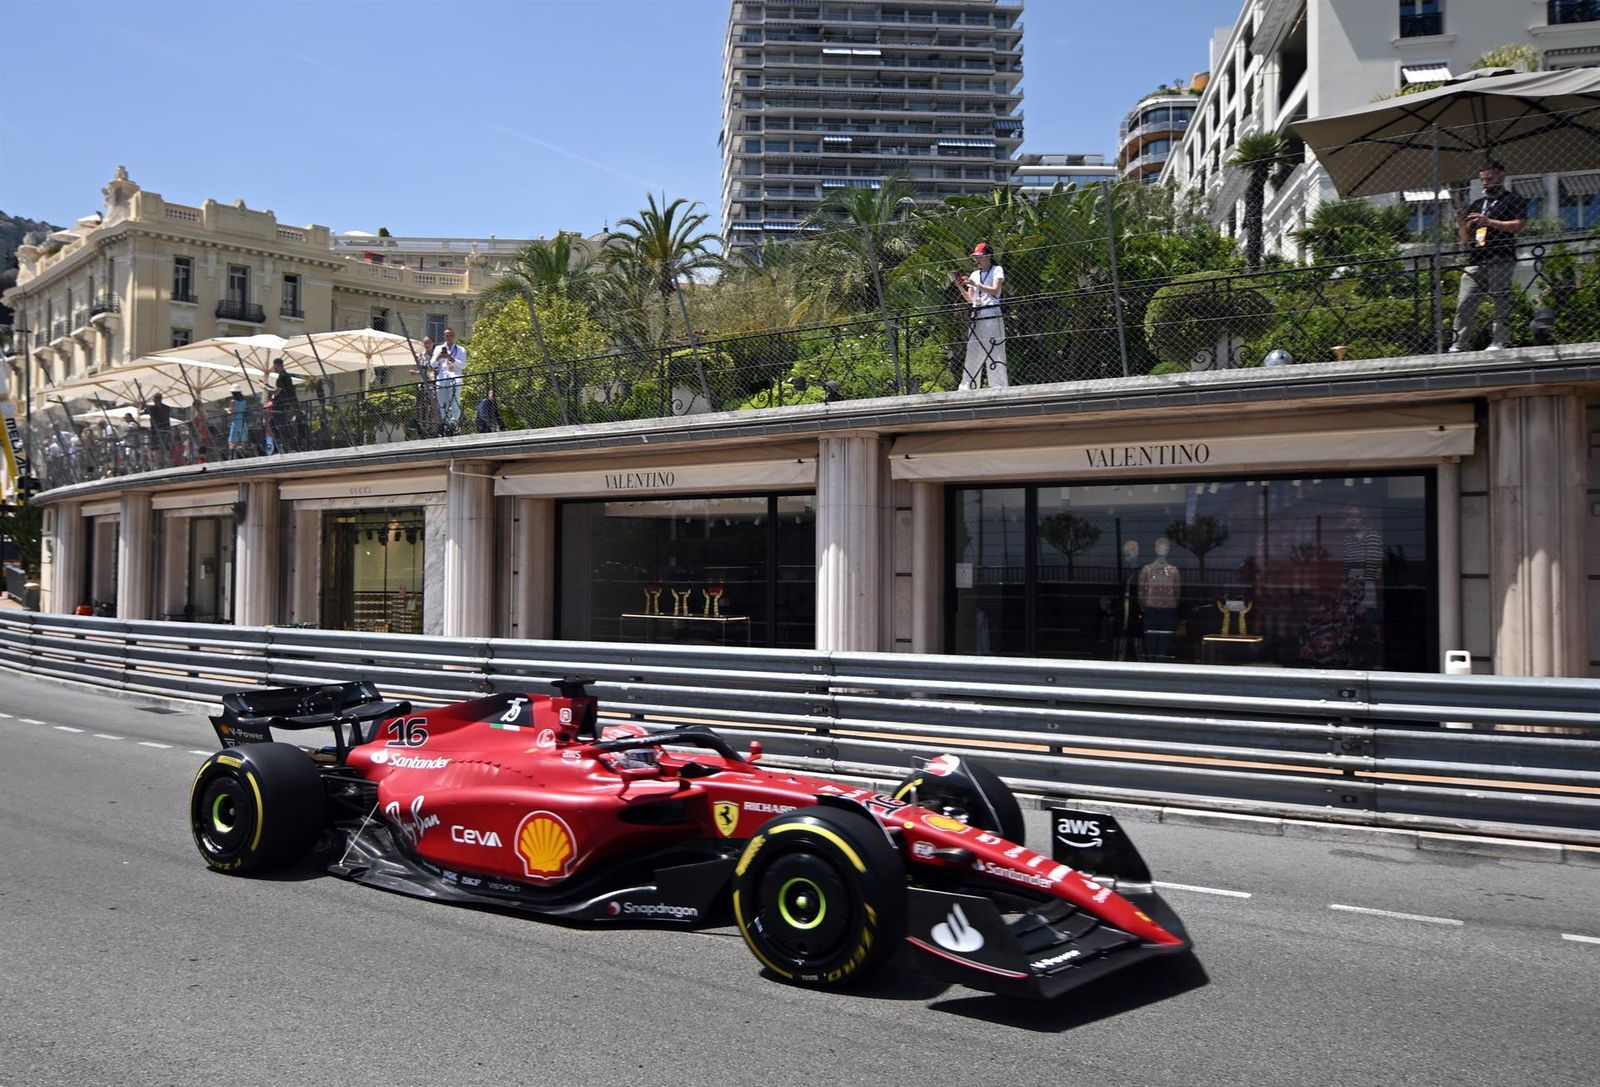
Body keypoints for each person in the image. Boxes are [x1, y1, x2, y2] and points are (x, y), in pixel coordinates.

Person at [1450, 161, 1527, 353]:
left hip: (1500, 257)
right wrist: (1464, 225)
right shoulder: (1477, 204)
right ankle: (1459, 343)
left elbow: (1518, 226)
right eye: (1483, 180)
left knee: (1500, 298)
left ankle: (1499, 341)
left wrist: (1489, 222)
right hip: (1476, 259)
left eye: (1489, 179)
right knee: (1465, 301)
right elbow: (1465, 238)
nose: (1485, 183)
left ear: (1502, 176)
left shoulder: (1513, 200)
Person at [952, 242, 1008, 390]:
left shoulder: (997, 270)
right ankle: (968, 385)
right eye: (975, 258)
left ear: (988, 256)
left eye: (980, 257)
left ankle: (998, 385)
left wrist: (976, 285)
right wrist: (960, 287)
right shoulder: (974, 275)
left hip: (991, 311)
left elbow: (995, 290)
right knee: (973, 348)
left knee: (994, 348)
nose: (977, 260)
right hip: (977, 313)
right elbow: (971, 299)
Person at [1138, 537, 1182, 660]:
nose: (1163, 550)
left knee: (1165, 646)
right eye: (1160, 547)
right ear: (1156, 549)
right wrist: (1145, 608)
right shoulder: (1146, 570)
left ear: (1168, 550)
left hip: (1168, 612)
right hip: (1151, 611)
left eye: (1165, 548)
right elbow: (1141, 593)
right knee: (1151, 645)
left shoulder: (1173, 571)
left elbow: (1177, 592)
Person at [431, 328, 466, 434]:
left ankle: (453, 424)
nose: (449, 338)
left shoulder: (460, 349)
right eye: (447, 336)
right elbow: (432, 365)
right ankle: (446, 425)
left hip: (455, 379)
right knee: (442, 403)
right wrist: (438, 357)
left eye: (451, 335)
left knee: (455, 402)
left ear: (454, 337)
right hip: (442, 380)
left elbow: (463, 365)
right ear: (444, 337)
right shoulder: (438, 348)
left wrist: (451, 358)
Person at [269, 357, 299, 453]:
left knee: (284, 427)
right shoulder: (285, 376)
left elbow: (276, 391)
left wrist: (264, 387)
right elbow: (280, 389)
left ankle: (290, 448)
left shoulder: (282, 377)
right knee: (286, 427)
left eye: (275, 367)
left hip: (284, 406)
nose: (274, 369)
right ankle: (290, 447)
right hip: (289, 404)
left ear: (278, 365)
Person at [145, 392, 172, 466]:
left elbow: (142, 412)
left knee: (156, 450)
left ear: (154, 400)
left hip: (155, 432)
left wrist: (143, 404)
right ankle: (167, 464)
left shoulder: (152, 408)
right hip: (166, 431)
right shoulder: (167, 408)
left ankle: (158, 465)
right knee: (166, 449)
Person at [226, 385, 249, 458]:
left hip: (235, 422)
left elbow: (233, 412)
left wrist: (227, 410)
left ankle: (231, 456)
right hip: (242, 421)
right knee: (243, 440)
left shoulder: (233, 401)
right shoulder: (244, 401)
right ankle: (244, 455)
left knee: (232, 441)